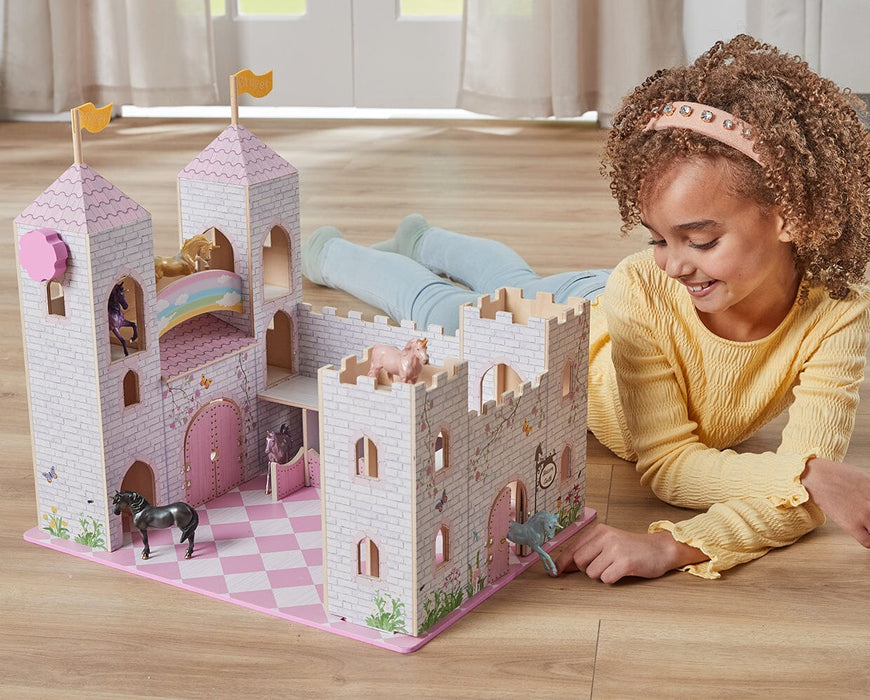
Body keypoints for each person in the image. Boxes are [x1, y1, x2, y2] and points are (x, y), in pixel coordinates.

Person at [302, 35, 870, 581]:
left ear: (790, 216)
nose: (672, 263)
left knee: (513, 279)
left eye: (698, 241)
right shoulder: (649, 282)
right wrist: (809, 476)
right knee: (443, 309)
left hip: (610, 301)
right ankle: (331, 254)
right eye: (657, 238)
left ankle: (420, 237)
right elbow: (675, 463)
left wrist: (680, 543)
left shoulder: (838, 313)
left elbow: (807, 495)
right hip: (600, 308)